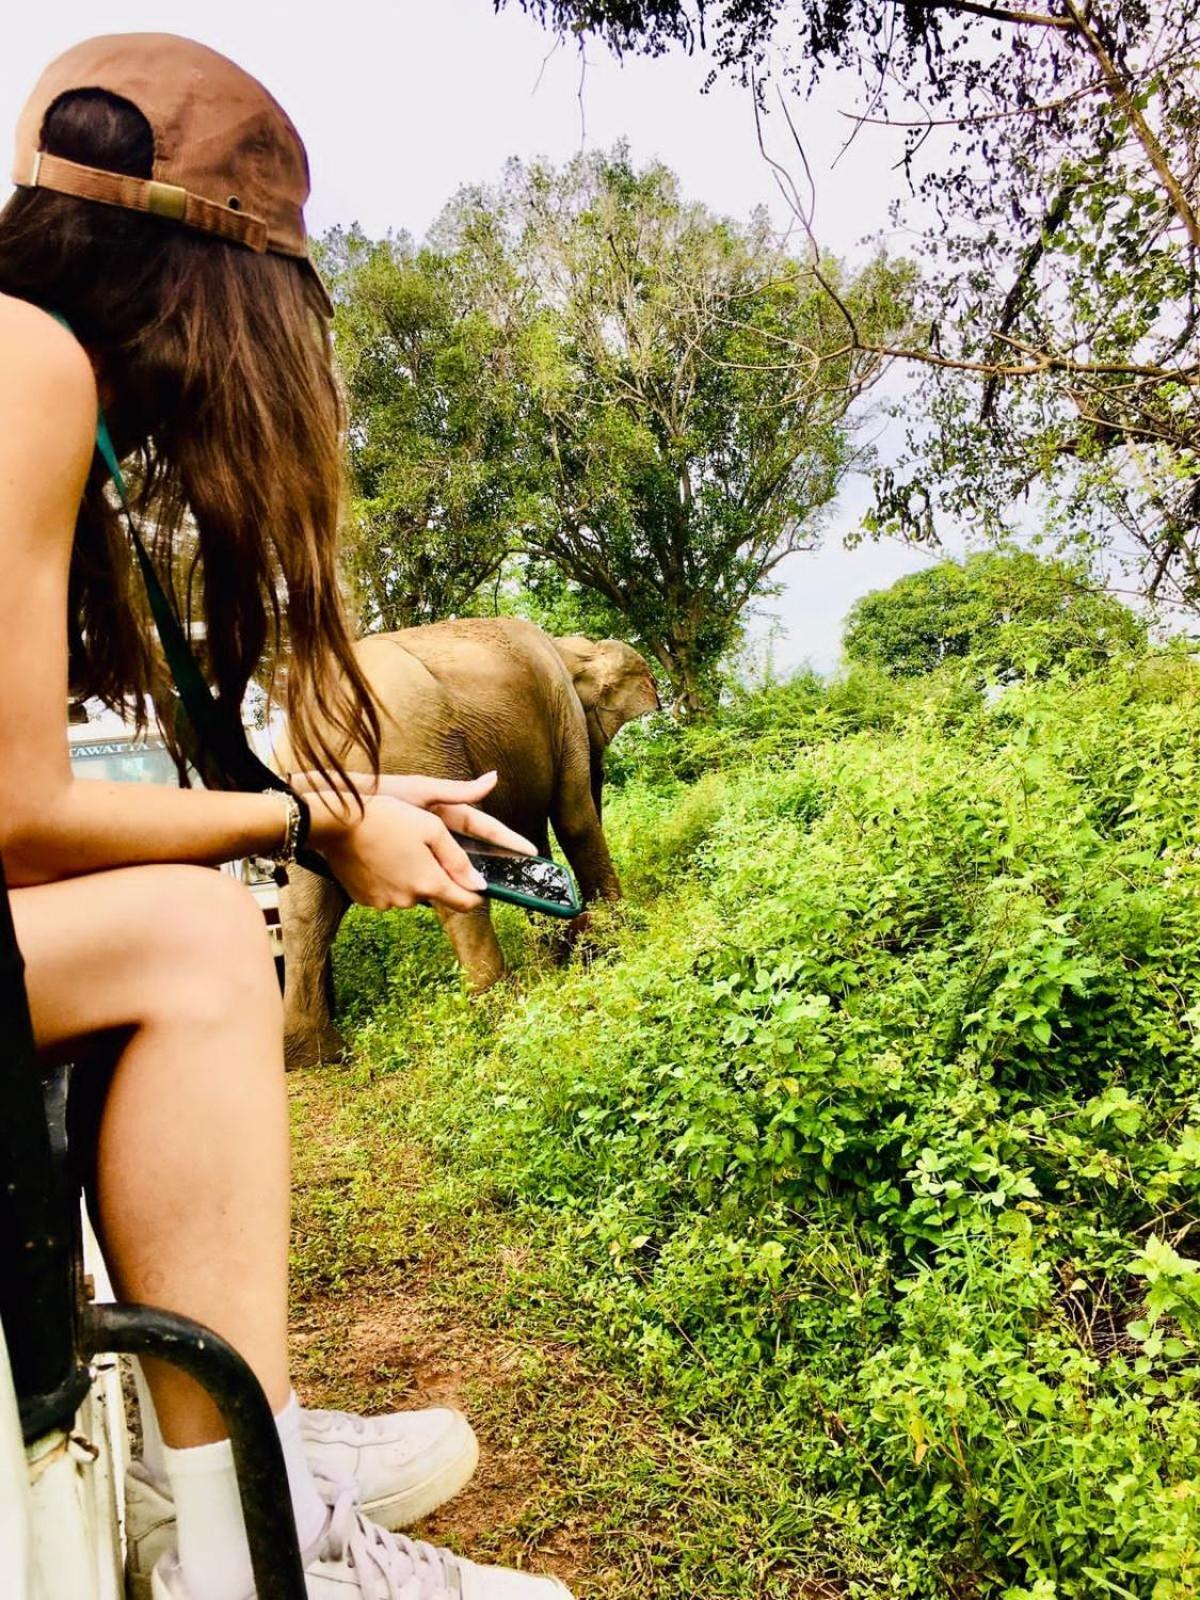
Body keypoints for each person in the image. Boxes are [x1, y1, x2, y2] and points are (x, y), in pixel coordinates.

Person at [0, 32, 571, 1600]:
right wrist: (300, 831)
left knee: (176, 908)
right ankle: (252, 1551)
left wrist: (331, 798)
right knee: (189, 939)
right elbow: (19, 818)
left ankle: (254, 1434)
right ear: (222, 284)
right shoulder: (25, 364)